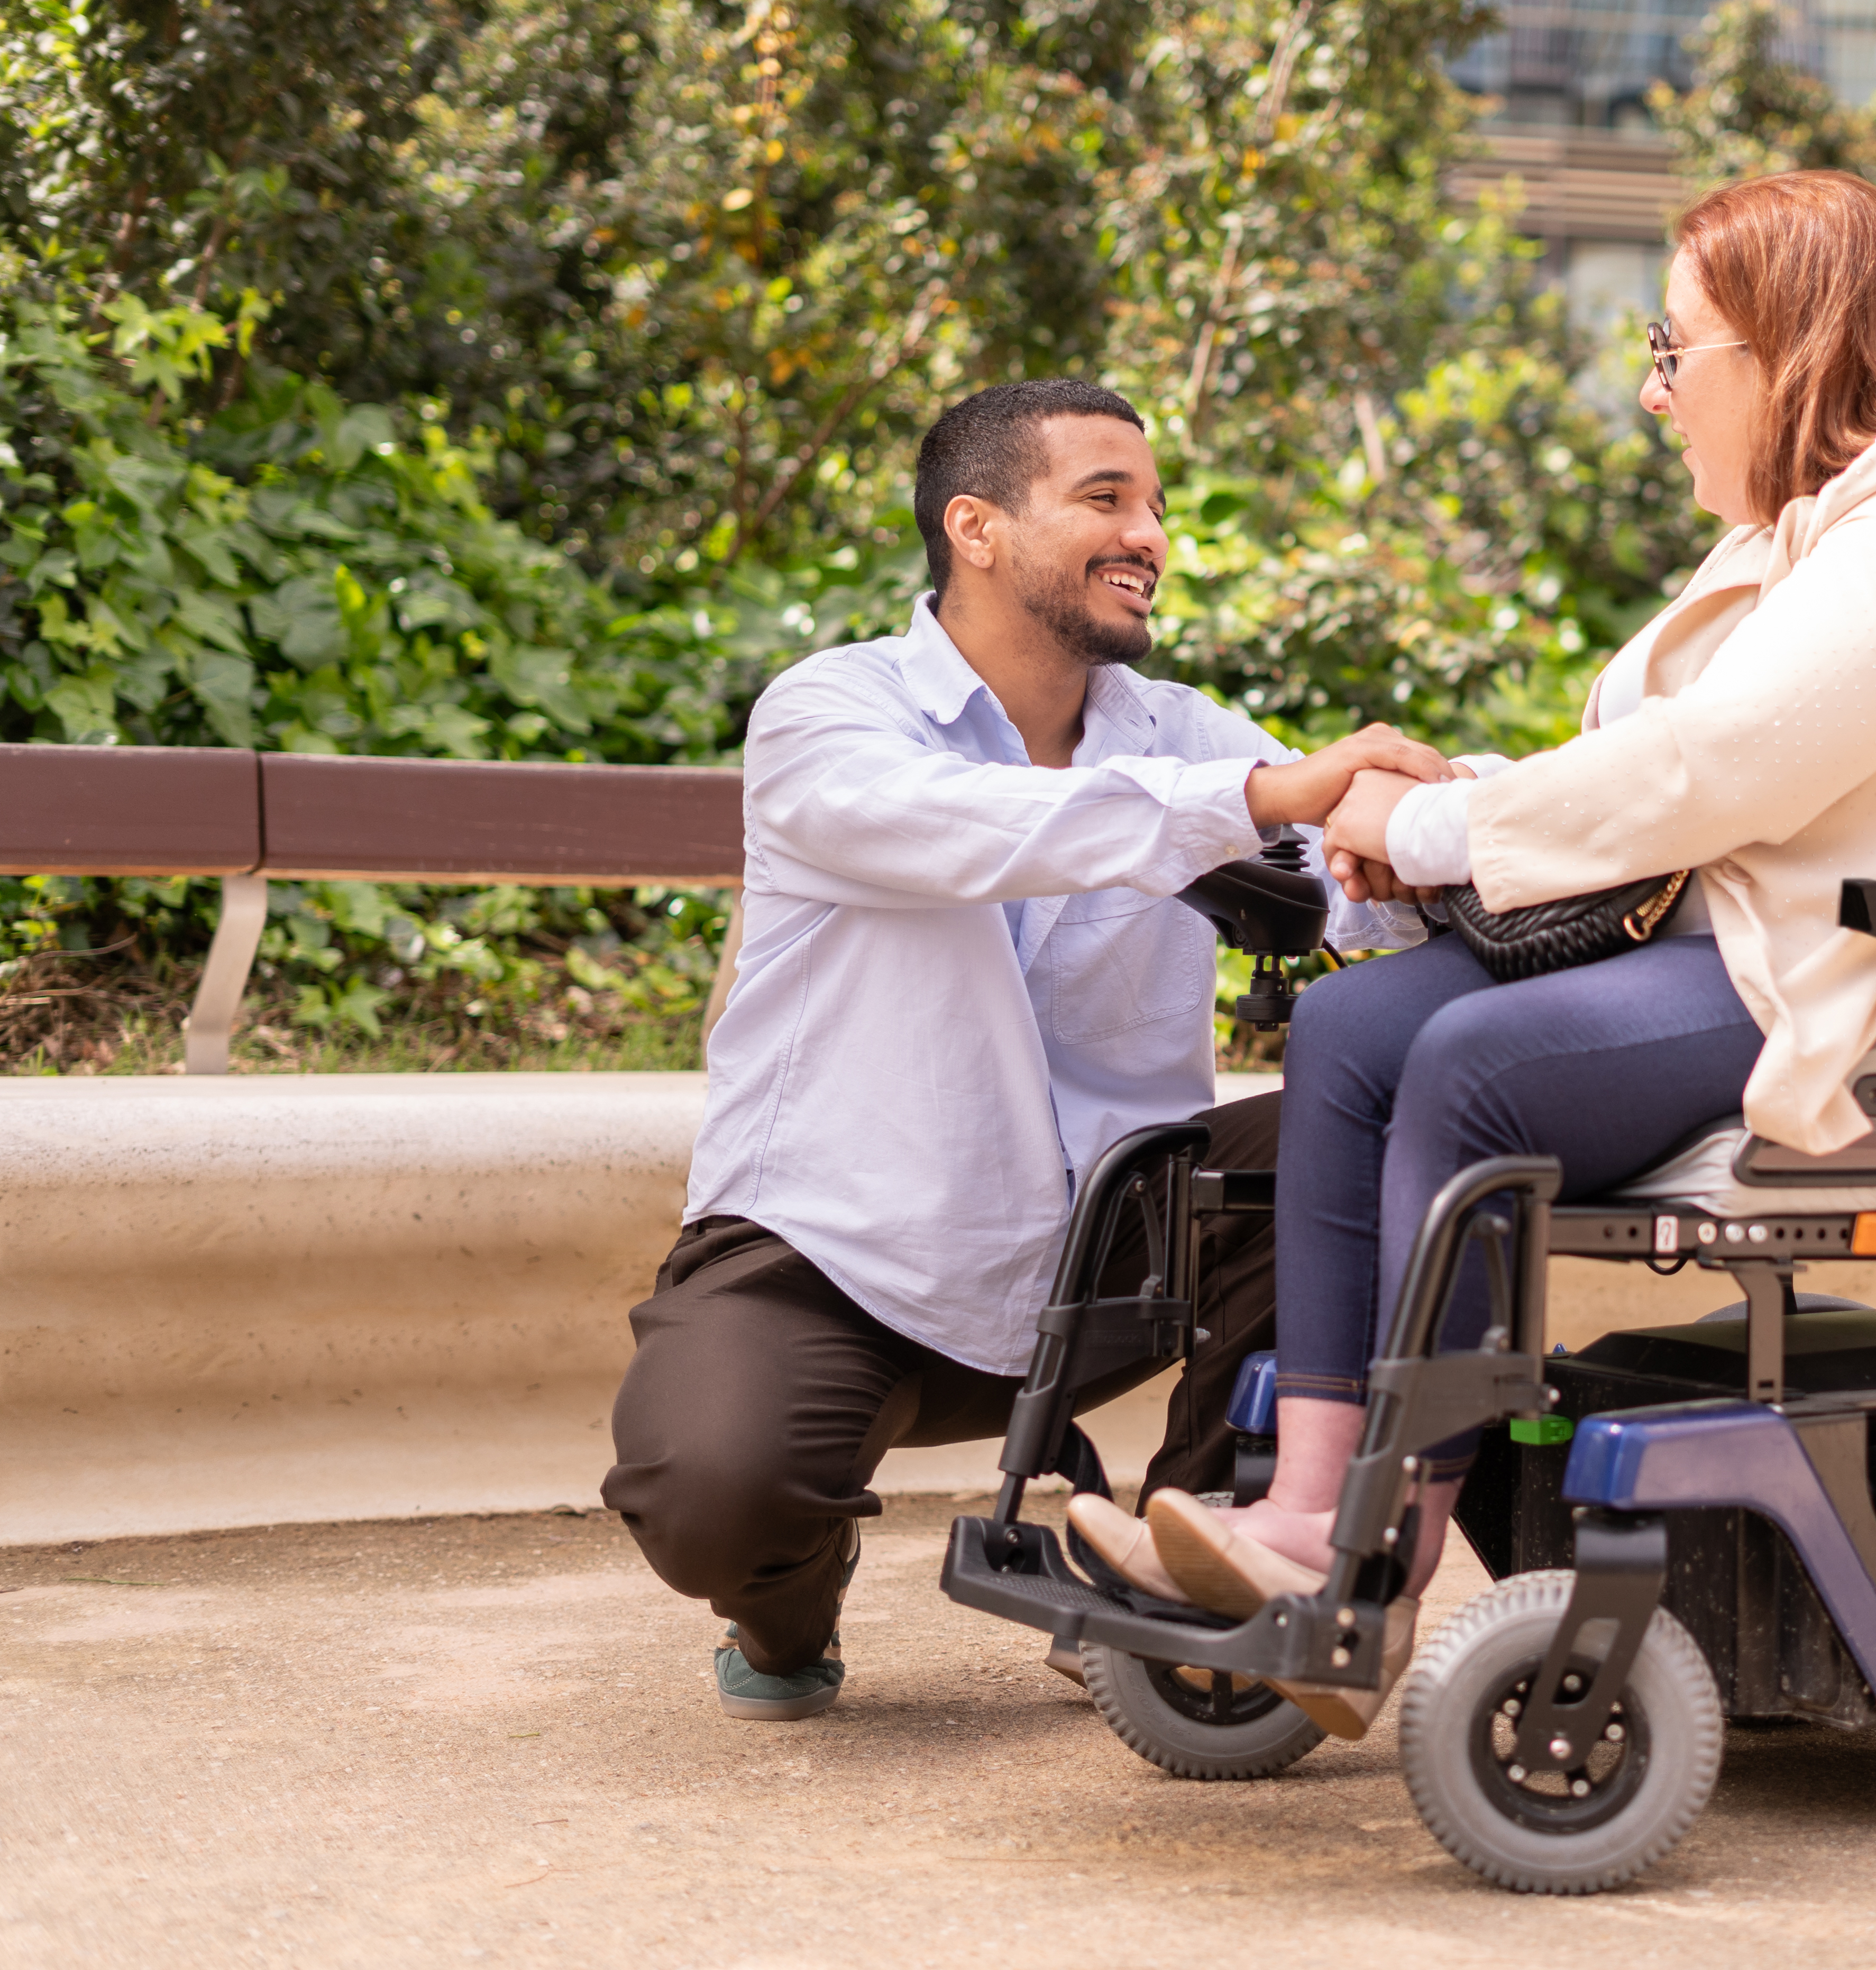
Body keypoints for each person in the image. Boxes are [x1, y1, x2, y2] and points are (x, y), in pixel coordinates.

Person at [1062, 169, 1876, 1736]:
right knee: (1358, 1038)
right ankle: (1303, 1508)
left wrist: (1436, 838)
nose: (1654, 392)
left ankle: (1376, 1561)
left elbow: (1732, 767)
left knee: (1475, 1066)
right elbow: (1652, 760)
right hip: (1758, 946)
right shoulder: (1792, 538)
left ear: (1790, 340)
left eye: (1672, 346)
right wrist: (1439, 808)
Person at [601, 379, 1438, 1722]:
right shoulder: (829, 712)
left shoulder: (1185, 735)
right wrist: (1254, 800)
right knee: (714, 1489)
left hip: (1116, 1237)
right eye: (1105, 499)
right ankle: (788, 1606)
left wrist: (1465, 827)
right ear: (975, 526)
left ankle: (1179, 1559)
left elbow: (1355, 884)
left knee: (1374, 1116)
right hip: (842, 1248)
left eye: (1156, 506)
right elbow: (959, 822)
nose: (1148, 534)